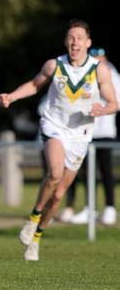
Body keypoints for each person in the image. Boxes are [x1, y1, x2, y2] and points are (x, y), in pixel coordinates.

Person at [0, 19, 118, 261]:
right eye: (71, 38)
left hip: (80, 135)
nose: (75, 43)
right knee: (54, 173)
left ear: (88, 42)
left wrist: (101, 110)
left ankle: (36, 238)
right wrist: (12, 96)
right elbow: (34, 85)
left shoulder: (99, 70)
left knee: (59, 194)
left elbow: (114, 103)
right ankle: (33, 219)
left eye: (80, 38)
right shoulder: (54, 65)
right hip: (54, 126)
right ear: (66, 41)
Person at [64, 47, 120, 225]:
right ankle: (90, 208)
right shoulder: (83, 72)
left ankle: (110, 207)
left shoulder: (112, 74)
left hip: (105, 132)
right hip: (86, 131)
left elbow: (116, 102)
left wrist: (102, 109)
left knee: (106, 171)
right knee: (87, 171)